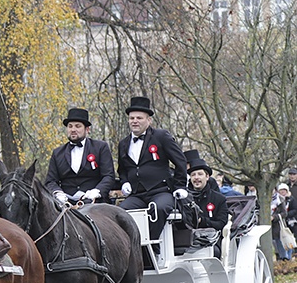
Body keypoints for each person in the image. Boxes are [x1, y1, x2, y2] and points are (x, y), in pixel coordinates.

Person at [117, 96, 188, 242]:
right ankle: (132, 247)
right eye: (131, 118)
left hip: (160, 191)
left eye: (139, 118)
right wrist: (125, 182)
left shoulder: (161, 136)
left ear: (149, 120)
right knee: (120, 213)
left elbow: (180, 161)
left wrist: (180, 186)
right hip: (137, 194)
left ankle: (152, 247)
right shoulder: (123, 143)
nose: (134, 121)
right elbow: (122, 169)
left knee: (158, 209)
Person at [44, 107, 115, 204]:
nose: (73, 130)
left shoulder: (100, 147)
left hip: (95, 202)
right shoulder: (57, 153)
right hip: (66, 203)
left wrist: (96, 192)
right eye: (70, 126)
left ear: (87, 129)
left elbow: (109, 176)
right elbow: (50, 181)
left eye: (77, 126)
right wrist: (58, 193)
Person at [185, 154, 229, 257]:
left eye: (200, 174)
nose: (196, 178)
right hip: (188, 240)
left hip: (211, 240)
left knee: (214, 252)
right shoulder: (184, 198)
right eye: (193, 175)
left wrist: (203, 221)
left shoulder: (219, 199)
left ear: (207, 177)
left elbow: (221, 223)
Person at [271, 185, 294, 261]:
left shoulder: (280, 199)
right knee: (276, 244)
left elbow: (284, 213)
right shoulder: (263, 200)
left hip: (279, 225)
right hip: (270, 226)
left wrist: (274, 217)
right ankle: (282, 259)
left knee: (284, 241)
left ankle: (287, 259)